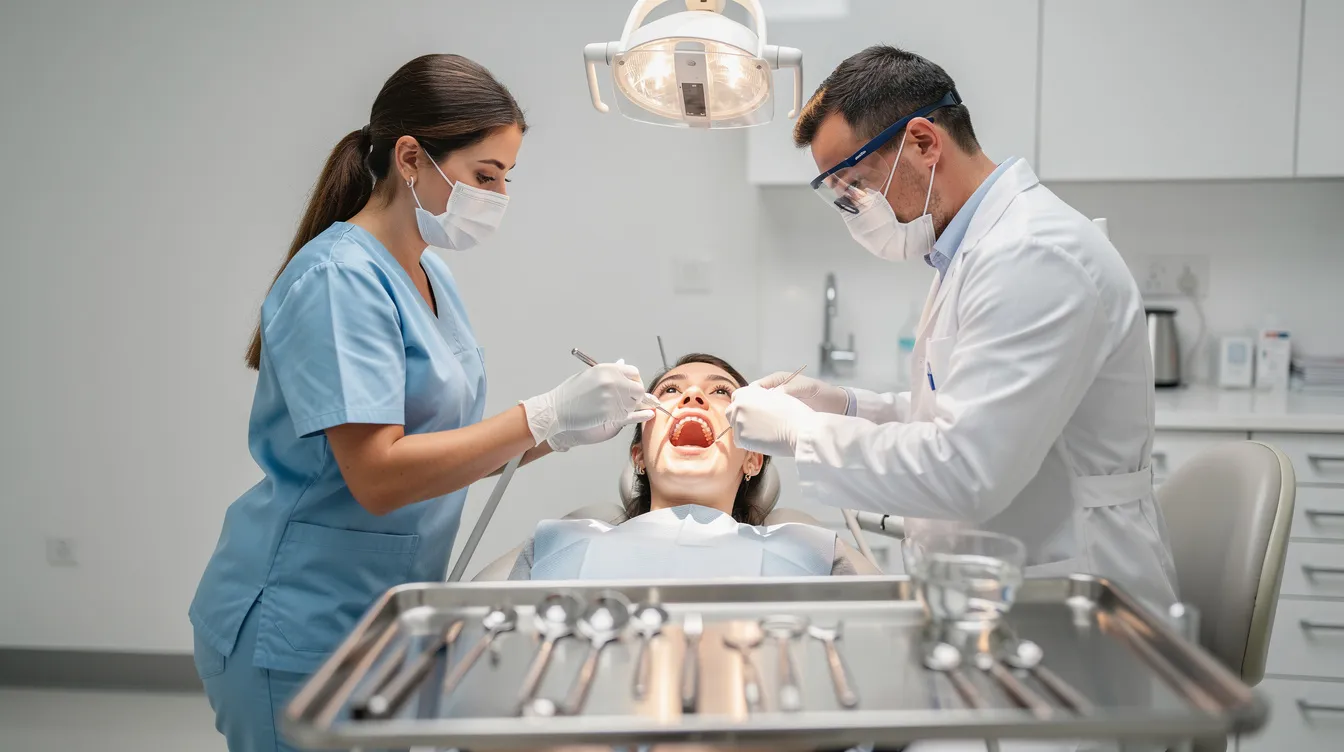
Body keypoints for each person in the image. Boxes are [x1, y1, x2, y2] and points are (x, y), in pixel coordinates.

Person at [189, 54, 653, 752]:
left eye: (505, 179)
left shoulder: (430, 275)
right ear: (411, 157)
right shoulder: (338, 279)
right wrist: (544, 415)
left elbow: (446, 448)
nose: (498, 196)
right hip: (299, 626)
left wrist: (564, 431)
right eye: (485, 176)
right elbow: (379, 475)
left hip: (382, 621)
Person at [725, 45, 1178, 612]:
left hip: (1071, 598)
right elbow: (959, 414)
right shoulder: (972, 250)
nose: (855, 209)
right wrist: (843, 407)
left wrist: (801, 435)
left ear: (922, 142)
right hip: (1007, 587)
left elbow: (968, 469)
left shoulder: (1033, 255)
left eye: (855, 185)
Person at [507, 354, 872, 580]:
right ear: (639, 456)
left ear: (753, 457)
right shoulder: (555, 546)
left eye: (720, 392)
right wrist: (551, 424)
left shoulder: (813, 553)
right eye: (669, 391)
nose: (692, 397)